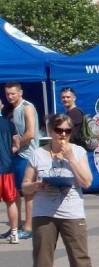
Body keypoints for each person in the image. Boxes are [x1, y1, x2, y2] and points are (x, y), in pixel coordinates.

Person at [15, 114, 99, 267]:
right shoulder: (38, 154)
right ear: (50, 132)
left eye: (67, 131)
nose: (63, 134)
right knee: (42, 266)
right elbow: (24, 186)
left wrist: (71, 158)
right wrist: (36, 186)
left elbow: (87, 181)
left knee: (81, 264)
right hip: (44, 214)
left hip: (72, 214)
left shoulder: (78, 152)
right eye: (59, 131)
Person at [4, 81, 39, 239]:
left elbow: (30, 133)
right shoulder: (9, 110)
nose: (10, 97)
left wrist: (15, 146)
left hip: (27, 155)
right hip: (15, 156)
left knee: (27, 192)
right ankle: (15, 226)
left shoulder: (27, 107)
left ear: (20, 92)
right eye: (7, 94)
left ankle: (29, 227)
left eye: (13, 93)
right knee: (14, 193)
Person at [0, 111, 19, 243]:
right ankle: (14, 233)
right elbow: (17, 144)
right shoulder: (9, 124)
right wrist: (7, 152)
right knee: (10, 201)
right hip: (7, 167)